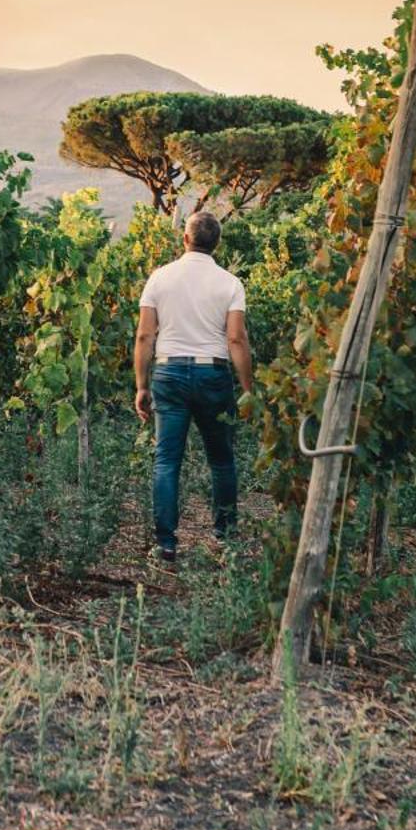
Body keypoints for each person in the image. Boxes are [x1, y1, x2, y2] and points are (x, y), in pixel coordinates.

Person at [132, 211, 255, 566]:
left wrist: (142, 386)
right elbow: (235, 338)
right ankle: (226, 539)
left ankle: (166, 545)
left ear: (185, 239)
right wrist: (247, 388)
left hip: (168, 374)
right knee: (222, 460)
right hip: (213, 376)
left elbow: (144, 335)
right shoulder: (230, 283)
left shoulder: (159, 278)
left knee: (167, 461)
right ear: (217, 243)